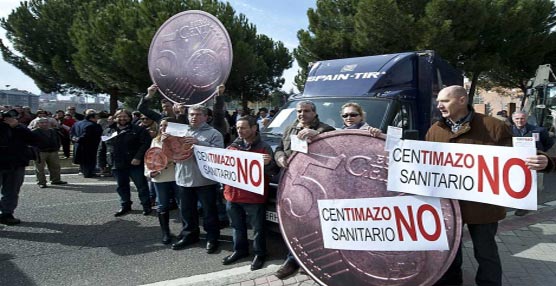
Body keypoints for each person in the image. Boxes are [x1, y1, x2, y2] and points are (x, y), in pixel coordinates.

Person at [427, 86, 549, 286]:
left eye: (445, 101)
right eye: (438, 101)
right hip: (449, 206)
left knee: (486, 253)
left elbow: (519, 156)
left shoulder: (493, 126)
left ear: (461, 100)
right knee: (449, 254)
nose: (439, 105)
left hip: (484, 206)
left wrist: (544, 160)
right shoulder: (435, 129)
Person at [274, 100, 335, 279]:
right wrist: (279, 158)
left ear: (314, 113)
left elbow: (334, 150)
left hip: (316, 185)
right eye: (299, 111)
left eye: (306, 111)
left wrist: (317, 135)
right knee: (294, 224)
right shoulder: (289, 129)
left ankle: (312, 259)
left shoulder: (326, 129)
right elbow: (279, 148)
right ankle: (292, 259)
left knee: (315, 225)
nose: (302, 114)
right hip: (292, 184)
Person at [222, 116, 278, 271]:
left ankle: (260, 254)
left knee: (258, 228)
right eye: (238, 128)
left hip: (254, 196)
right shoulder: (232, 146)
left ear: (254, 128)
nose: (240, 131)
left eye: (244, 128)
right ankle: (239, 250)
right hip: (233, 195)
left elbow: (273, 172)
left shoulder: (264, 147)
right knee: (236, 226)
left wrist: (268, 164)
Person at [169, 105, 223, 254]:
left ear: (206, 117)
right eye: (192, 114)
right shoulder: (180, 130)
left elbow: (219, 155)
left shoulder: (214, 133)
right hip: (183, 177)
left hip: (205, 180)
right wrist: (165, 139)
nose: (194, 117)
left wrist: (199, 143)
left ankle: (212, 238)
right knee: (186, 211)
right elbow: (168, 149)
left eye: (198, 114)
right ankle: (189, 235)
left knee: (209, 211)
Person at [100, 109, 153, 216]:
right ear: (115, 118)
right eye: (119, 116)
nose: (122, 118)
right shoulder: (108, 130)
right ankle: (125, 205)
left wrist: (138, 157)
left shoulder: (138, 129)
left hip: (134, 163)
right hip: (116, 163)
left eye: (125, 116)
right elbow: (102, 148)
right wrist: (101, 163)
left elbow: (146, 144)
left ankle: (146, 206)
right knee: (121, 186)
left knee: (141, 186)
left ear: (130, 118)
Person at [511, 110, 555, 216]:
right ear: (513, 119)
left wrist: (540, 152)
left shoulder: (539, 130)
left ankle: (525, 206)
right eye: (517, 118)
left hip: (533, 162)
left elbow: (549, 142)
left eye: (522, 118)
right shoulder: (508, 131)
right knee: (518, 184)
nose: (519, 121)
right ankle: (520, 204)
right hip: (516, 162)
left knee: (532, 185)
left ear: (526, 118)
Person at [0, 109, 38, 225]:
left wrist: (17, 127)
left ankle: (7, 214)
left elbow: (33, 139)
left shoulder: (19, 128)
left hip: (16, 163)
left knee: (12, 190)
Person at [144, 117, 179, 244]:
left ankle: (187, 231)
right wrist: (149, 172)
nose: (163, 128)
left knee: (183, 204)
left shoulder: (179, 140)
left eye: (167, 126)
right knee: (162, 205)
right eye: (161, 126)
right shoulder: (155, 140)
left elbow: (180, 156)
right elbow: (150, 158)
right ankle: (166, 232)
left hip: (177, 177)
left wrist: (168, 143)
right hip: (160, 177)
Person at [32, 118, 67, 188]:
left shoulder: (53, 131)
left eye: (46, 122)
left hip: (53, 151)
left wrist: (57, 147)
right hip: (40, 152)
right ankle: (41, 182)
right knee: (40, 168)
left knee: (55, 167)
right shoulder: (34, 132)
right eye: (42, 123)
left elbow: (58, 140)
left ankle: (56, 180)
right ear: (38, 124)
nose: (44, 124)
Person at [71, 112, 103, 178]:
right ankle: (88, 173)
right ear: (91, 118)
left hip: (78, 145)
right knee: (89, 160)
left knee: (82, 161)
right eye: (96, 117)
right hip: (90, 145)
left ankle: (84, 172)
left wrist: (75, 139)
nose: (97, 119)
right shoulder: (92, 125)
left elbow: (71, 133)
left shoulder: (77, 123)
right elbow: (87, 136)